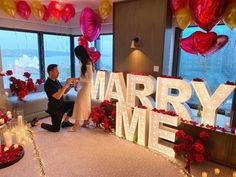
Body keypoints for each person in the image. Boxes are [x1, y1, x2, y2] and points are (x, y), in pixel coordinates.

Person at [31, 64, 76, 132]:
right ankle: (36, 123)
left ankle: (65, 122)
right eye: (56, 71)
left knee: (75, 104)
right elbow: (57, 97)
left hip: (62, 104)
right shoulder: (48, 84)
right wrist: (66, 84)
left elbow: (64, 92)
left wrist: (71, 85)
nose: (58, 72)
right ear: (50, 72)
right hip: (55, 108)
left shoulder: (56, 81)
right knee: (55, 129)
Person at [69, 45, 94, 132]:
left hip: (86, 86)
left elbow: (89, 78)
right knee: (85, 103)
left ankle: (76, 125)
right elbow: (81, 75)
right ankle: (86, 122)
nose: (76, 56)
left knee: (79, 103)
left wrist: (76, 79)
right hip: (82, 84)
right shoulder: (81, 61)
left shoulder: (88, 62)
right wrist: (77, 83)